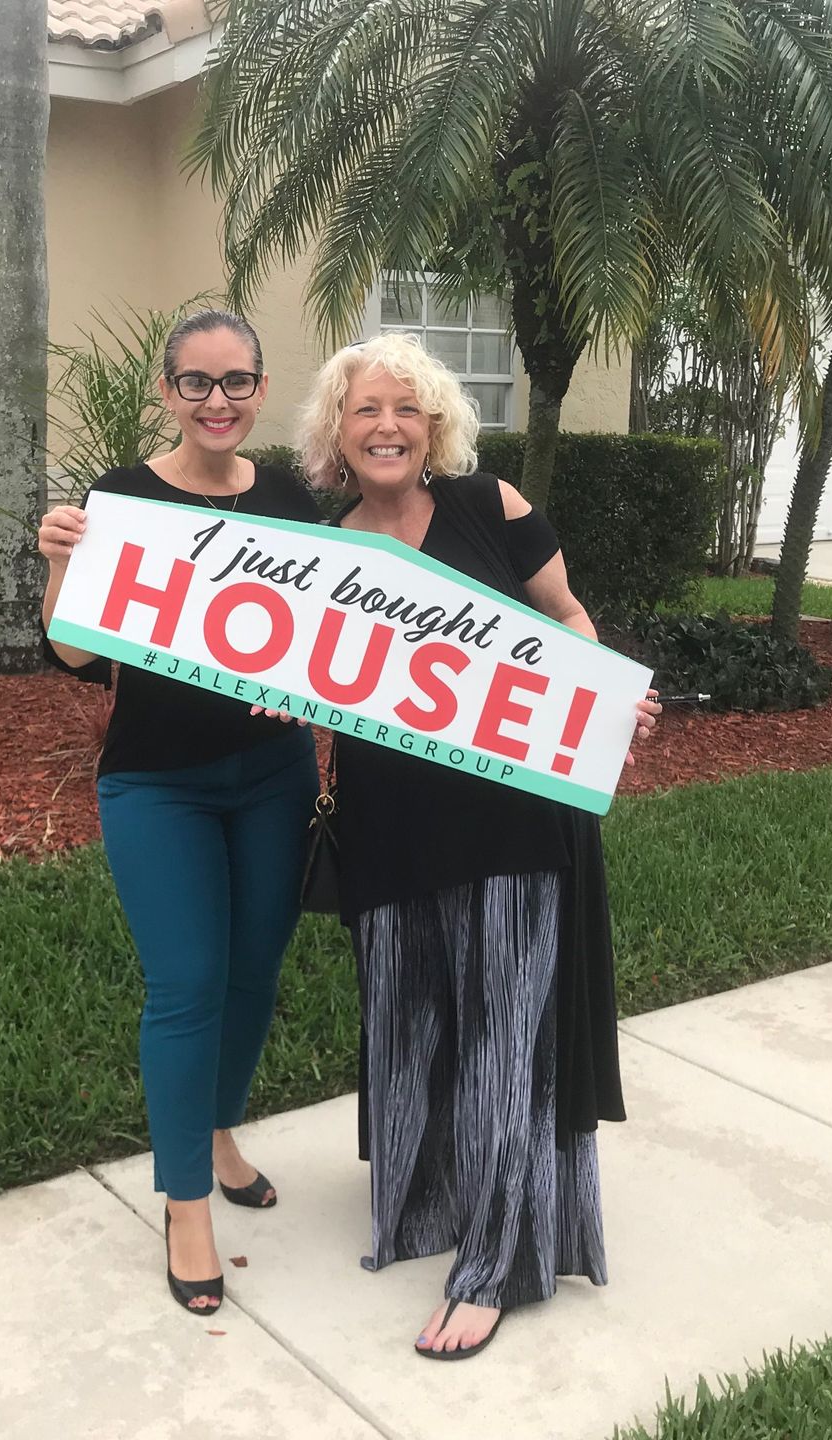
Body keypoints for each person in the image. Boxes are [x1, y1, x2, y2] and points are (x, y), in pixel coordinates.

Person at [294, 333, 659, 1360]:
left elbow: (568, 615)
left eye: (406, 409)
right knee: (412, 1024)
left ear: (436, 426)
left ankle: (498, 1262)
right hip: (389, 823)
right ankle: (434, 1204)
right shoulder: (331, 549)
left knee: (506, 1039)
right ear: (337, 431)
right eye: (366, 410)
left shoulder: (487, 507)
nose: (387, 427)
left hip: (512, 820)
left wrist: (599, 698)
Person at [37, 310, 322, 1317]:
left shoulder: (293, 498)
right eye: (196, 383)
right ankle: (186, 1202)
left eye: (236, 382)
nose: (217, 401)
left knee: (254, 974)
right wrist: (62, 559)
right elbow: (76, 655)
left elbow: (331, 643)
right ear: (167, 392)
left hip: (276, 776)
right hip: (157, 782)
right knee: (189, 982)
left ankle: (216, 1128)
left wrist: (312, 693)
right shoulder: (120, 497)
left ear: (259, 387)